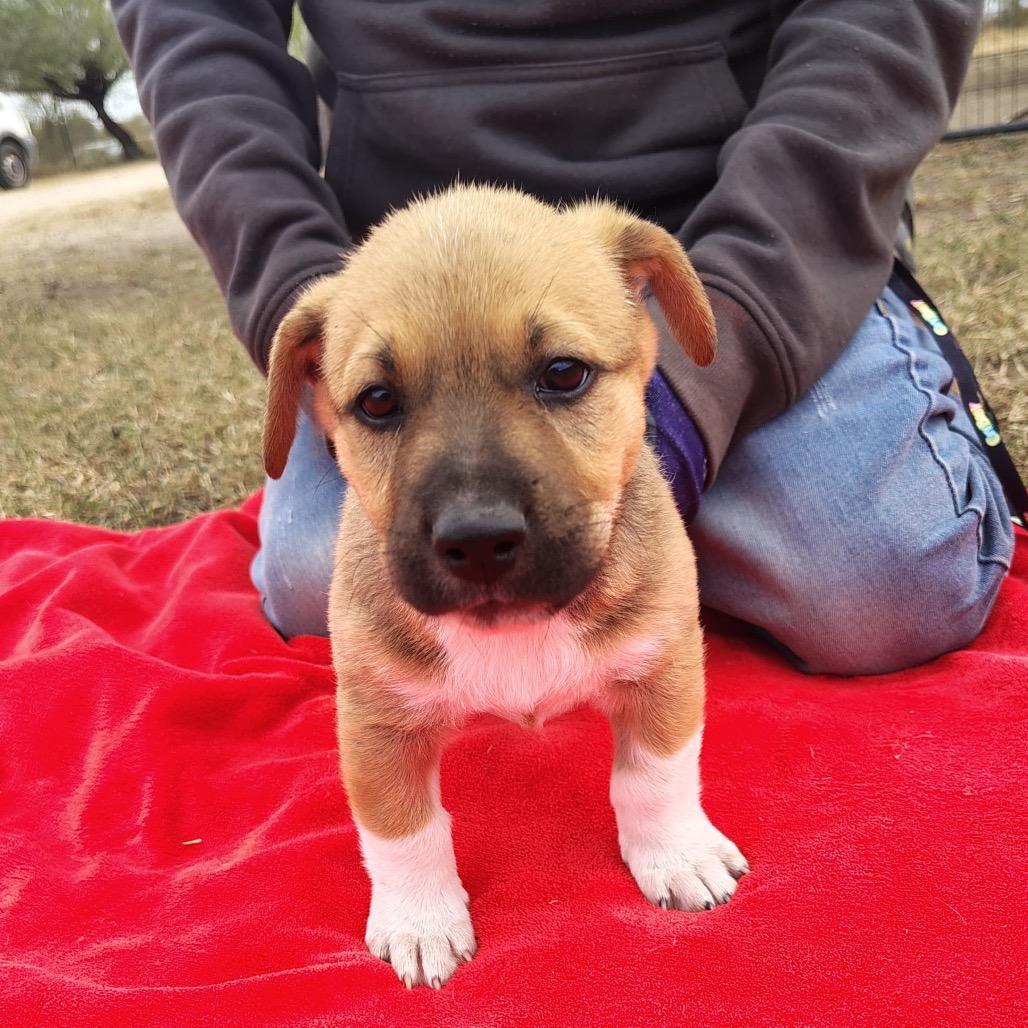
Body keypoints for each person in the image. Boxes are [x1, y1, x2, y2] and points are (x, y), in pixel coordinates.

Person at [111, 0, 1015, 674]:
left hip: (725, 230)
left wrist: (711, 364)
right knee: (320, 581)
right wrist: (314, 302)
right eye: (378, 408)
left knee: (874, 585)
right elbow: (196, 30)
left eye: (563, 379)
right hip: (405, 269)